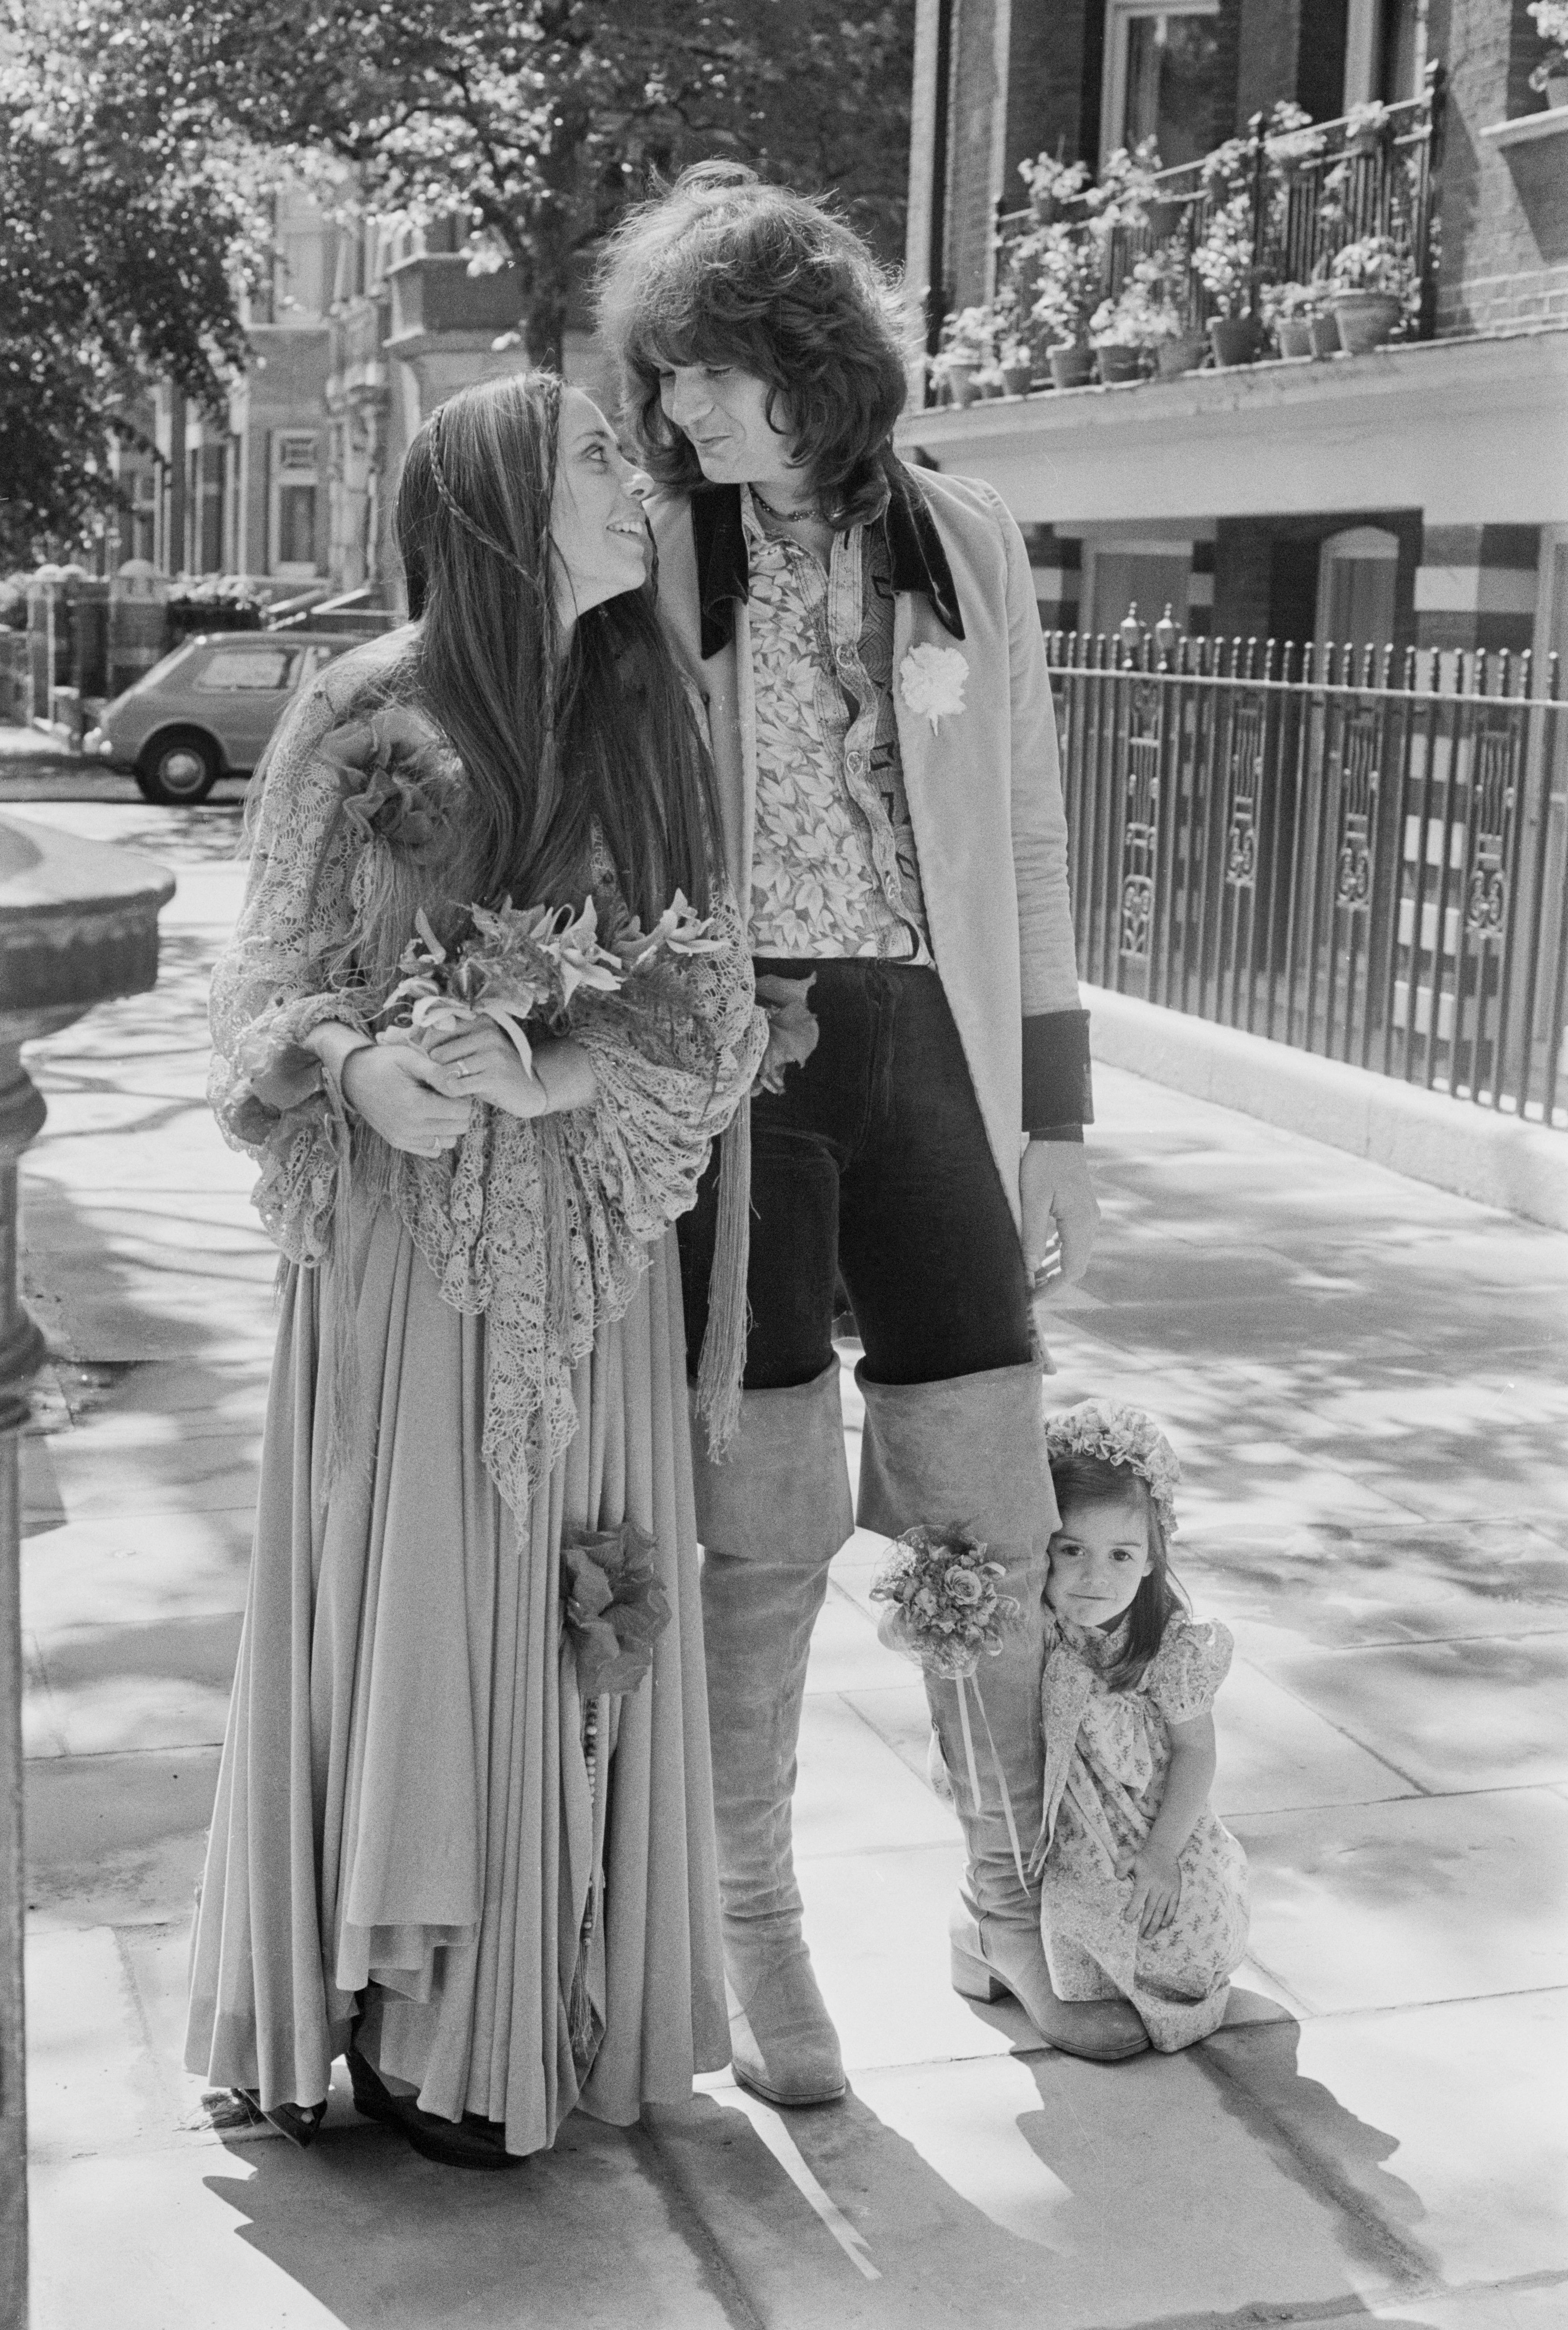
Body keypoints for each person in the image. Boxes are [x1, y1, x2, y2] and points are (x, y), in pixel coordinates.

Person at [597, 165, 1145, 2106]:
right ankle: (756, 1927)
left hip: (930, 1055)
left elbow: (1028, 834)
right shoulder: (661, 551)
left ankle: (1007, 1896)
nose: (686, 416)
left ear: (815, 365)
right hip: (739, 1067)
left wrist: (1052, 1122)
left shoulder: (961, 544)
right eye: (668, 385)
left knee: (983, 1495)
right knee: (759, 1518)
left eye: (718, 379)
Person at [184, 372, 766, 2166]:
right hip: (398, 1251)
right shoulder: (360, 709)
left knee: (564, 1614)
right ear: (505, 500)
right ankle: (383, 2003)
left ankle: (507, 2019)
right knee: (409, 1599)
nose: (634, 475)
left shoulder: (656, 705)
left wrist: (561, 1064)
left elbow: (711, 1003)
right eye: (596, 452)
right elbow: (251, 995)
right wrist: (354, 1067)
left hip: (585, 1254)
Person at [1018, 1399, 1250, 2052]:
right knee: (1101, 1914)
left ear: (1152, 1558)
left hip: (1149, 1821)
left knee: (1186, 1939)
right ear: (1044, 1547)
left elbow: (1194, 1753)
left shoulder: (1165, 1647)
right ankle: (1010, 1936)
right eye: (1072, 1550)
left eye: (1121, 1554)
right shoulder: (1035, 1622)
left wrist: (1161, 1855)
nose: (1095, 1576)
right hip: (1061, 1820)